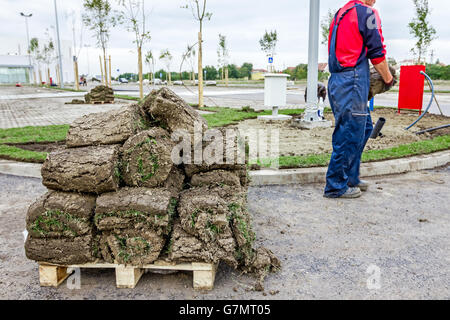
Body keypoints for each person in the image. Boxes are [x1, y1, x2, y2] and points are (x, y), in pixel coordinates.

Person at [324, 0, 394, 199]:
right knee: (348, 134)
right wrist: (388, 79)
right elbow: (377, 52)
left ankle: (351, 177)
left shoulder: (342, 12)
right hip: (352, 80)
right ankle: (336, 186)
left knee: (363, 128)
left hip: (339, 80)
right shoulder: (367, 13)